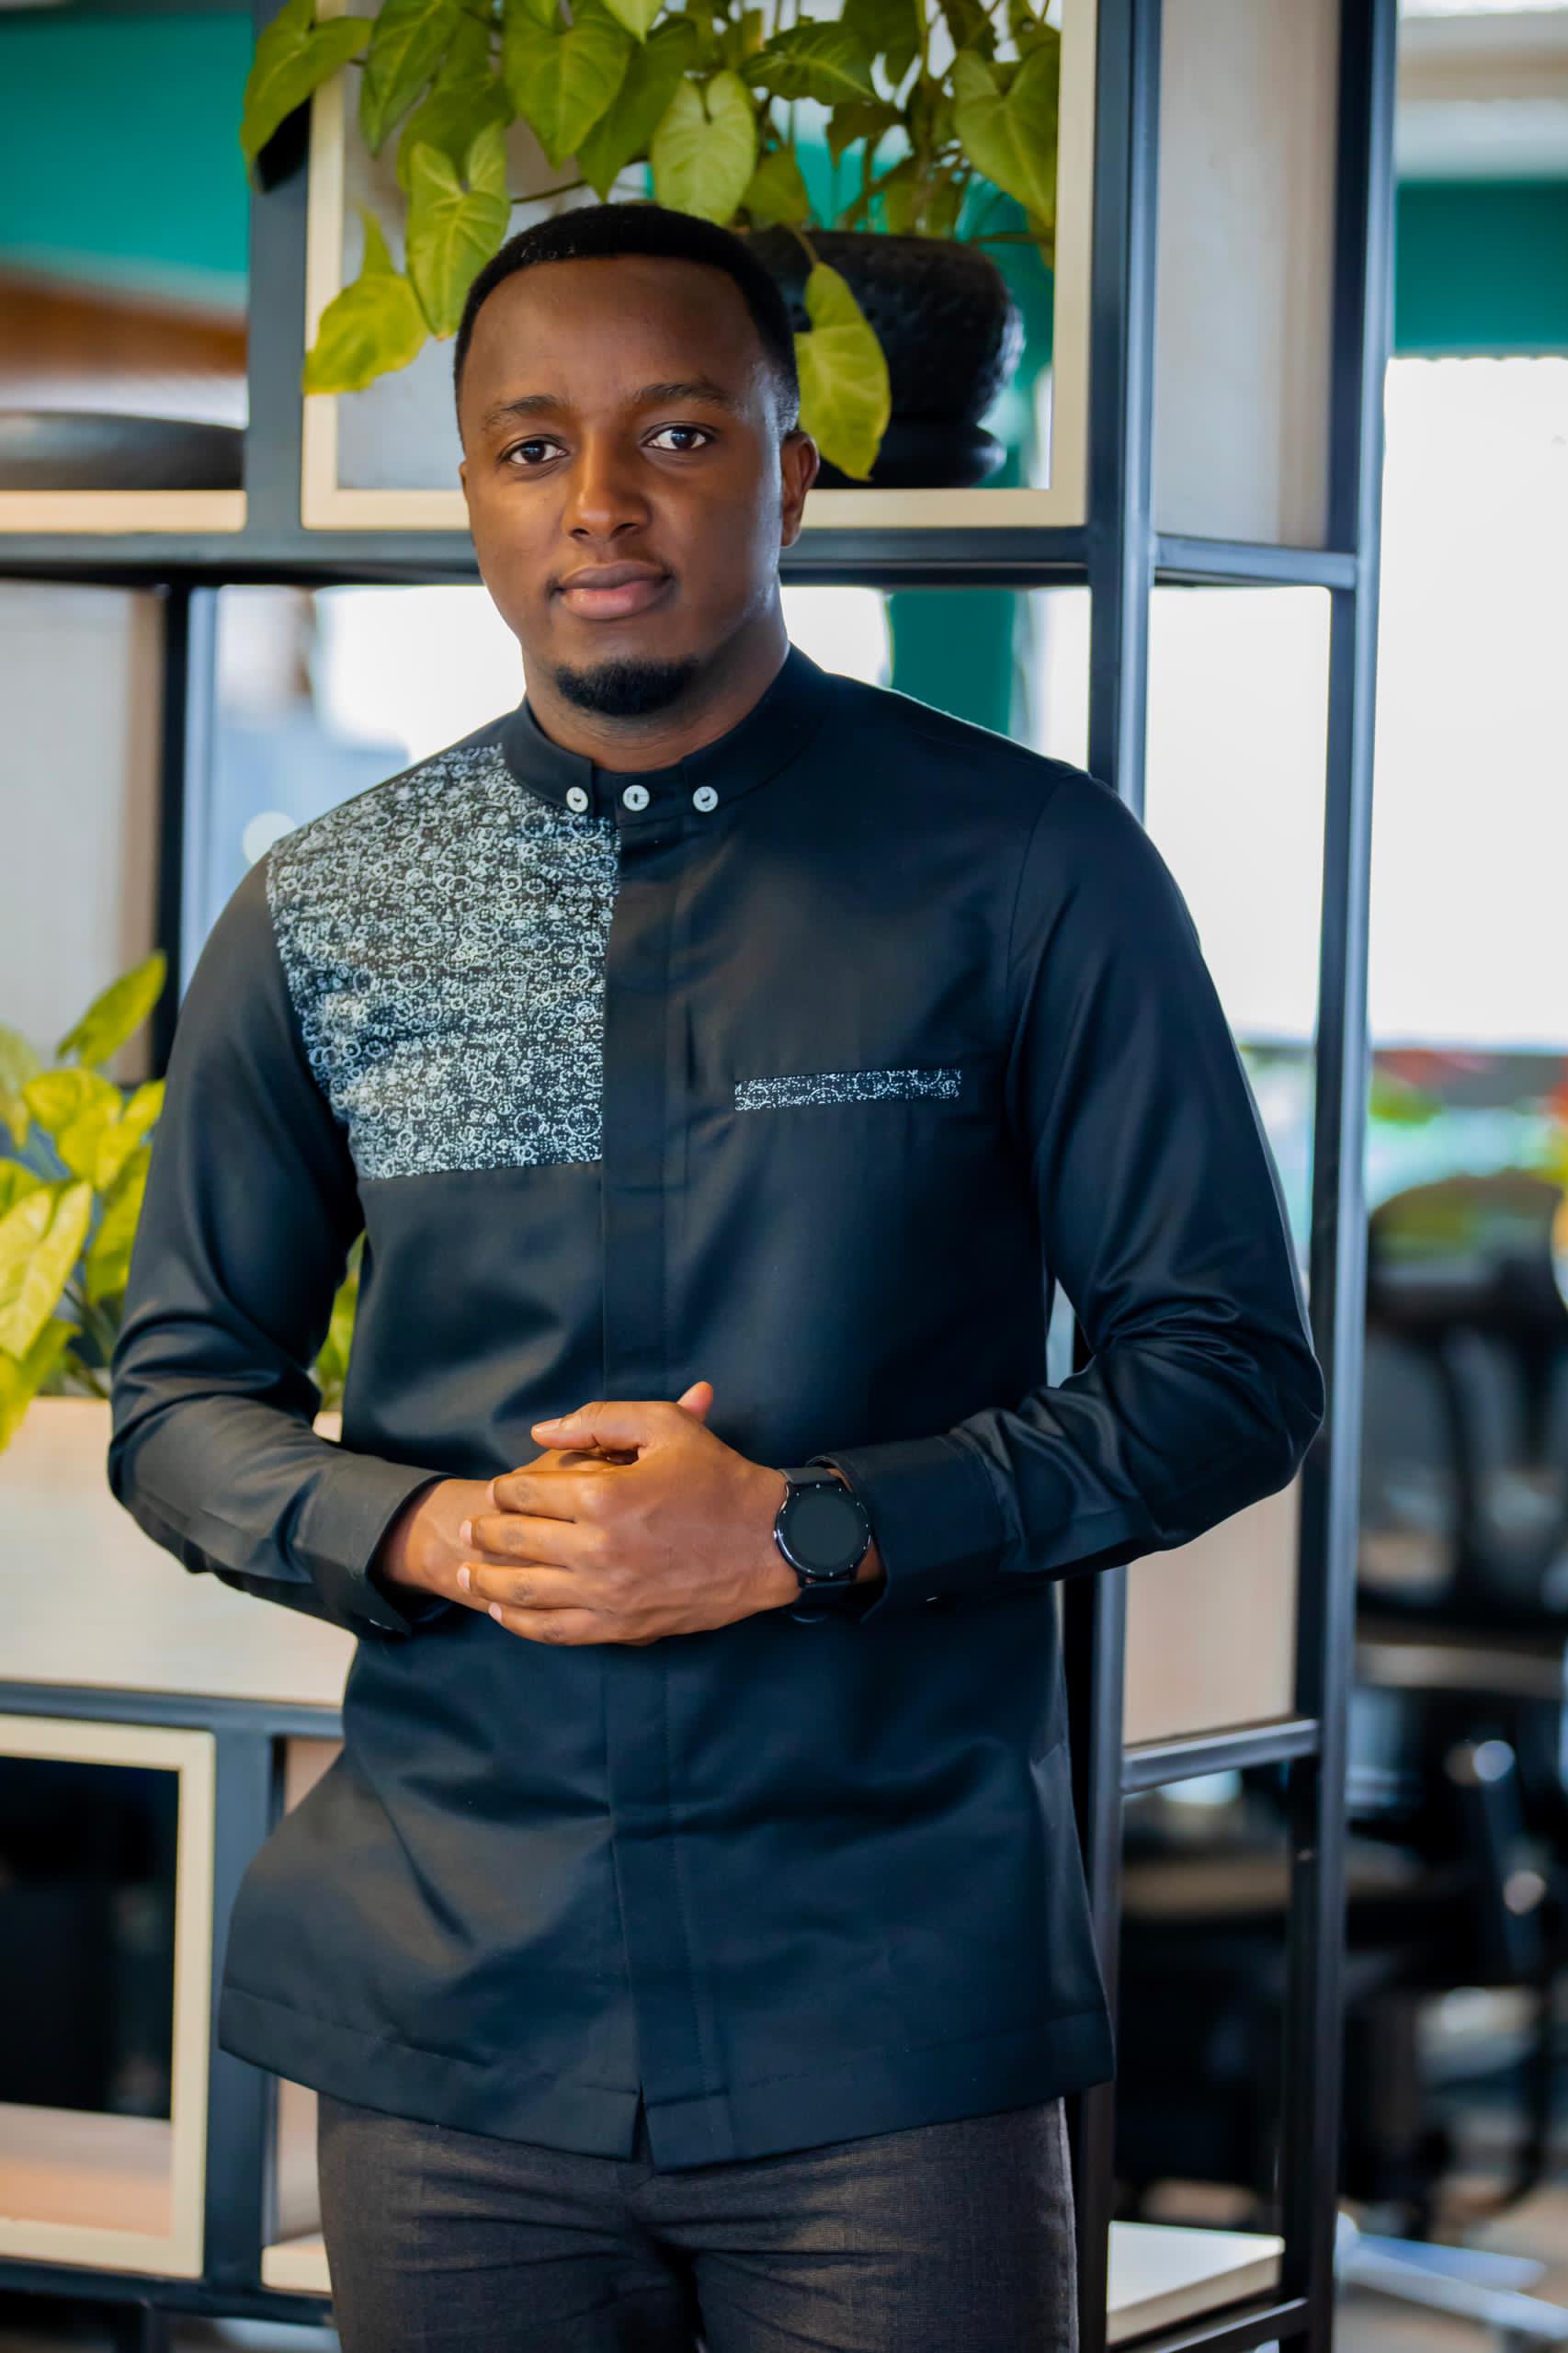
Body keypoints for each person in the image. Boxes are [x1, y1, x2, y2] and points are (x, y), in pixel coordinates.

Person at [108, 199, 1326, 2352]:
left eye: (674, 433)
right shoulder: (346, 903)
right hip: (451, 2007)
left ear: (793, 472)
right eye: (531, 444)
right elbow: (181, 1393)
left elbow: (1225, 1365)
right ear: (474, 492)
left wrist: (800, 1531)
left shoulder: (1025, 867)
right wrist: (434, 1529)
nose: (598, 499)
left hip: (887, 2008)